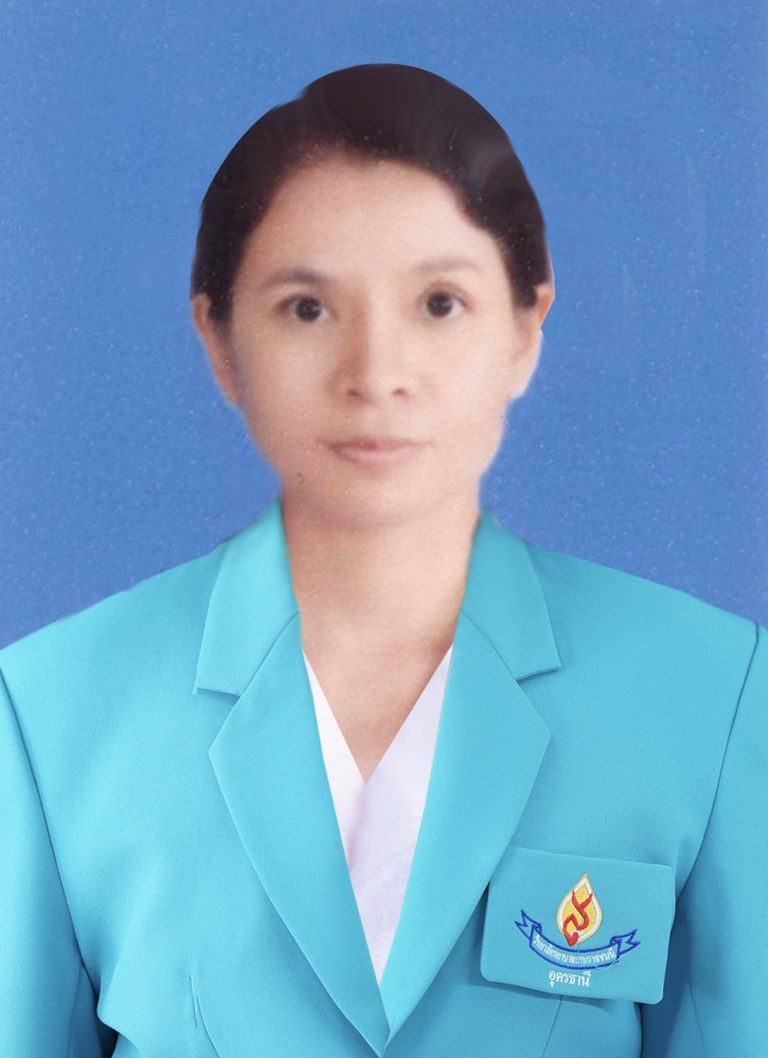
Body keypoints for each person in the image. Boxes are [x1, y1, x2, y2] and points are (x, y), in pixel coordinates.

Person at [0, 62, 765, 1058]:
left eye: (439, 303)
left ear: (525, 329)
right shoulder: (52, 708)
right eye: (306, 308)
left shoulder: (708, 690)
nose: (376, 375)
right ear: (219, 339)